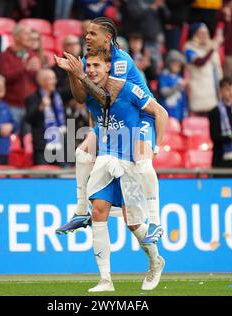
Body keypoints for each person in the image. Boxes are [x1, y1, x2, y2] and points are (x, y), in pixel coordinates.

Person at [54, 17, 163, 244]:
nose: (87, 37)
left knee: (143, 163)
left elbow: (106, 99)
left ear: (107, 38)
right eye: (87, 33)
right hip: (112, 118)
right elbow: (82, 97)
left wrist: (82, 75)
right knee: (82, 154)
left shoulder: (121, 60)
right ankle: (82, 211)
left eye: (93, 33)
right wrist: (73, 74)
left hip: (140, 114)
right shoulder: (89, 60)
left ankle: (155, 221)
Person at [70, 48, 168, 292]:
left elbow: (159, 112)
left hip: (130, 161)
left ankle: (156, 261)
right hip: (108, 158)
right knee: (99, 212)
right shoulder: (91, 96)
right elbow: (95, 120)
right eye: (88, 66)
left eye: (96, 66)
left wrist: (152, 147)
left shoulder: (127, 89)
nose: (91, 70)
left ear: (108, 68)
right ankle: (105, 280)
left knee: (133, 223)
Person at [0, 24, 42, 136]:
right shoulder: (6, 55)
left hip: (31, 107)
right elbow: (5, 77)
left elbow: (38, 81)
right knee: (12, 140)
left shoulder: (33, 55)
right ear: (16, 37)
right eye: (26, 33)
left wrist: (39, 74)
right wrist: (24, 68)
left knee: (29, 141)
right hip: (12, 105)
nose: (30, 37)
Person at [25, 69, 66, 166]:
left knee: (62, 176)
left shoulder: (57, 97)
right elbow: (29, 119)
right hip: (42, 146)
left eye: (54, 78)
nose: (55, 81)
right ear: (42, 81)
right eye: (51, 79)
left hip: (59, 145)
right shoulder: (33, 98)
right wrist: (40, 108)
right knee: (42, 176)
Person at [184, 23, 223, 115]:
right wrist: (211, 50)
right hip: (199, 91)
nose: (204, 36)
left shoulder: (210, 47)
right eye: (201, 33)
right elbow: (199, 62)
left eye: (206, 33)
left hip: (213, 91)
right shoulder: (189, 47)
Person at [209, 77, 232, 170]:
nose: (231, 93)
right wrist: (230, 138)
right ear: (221, 91)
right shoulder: (215, 111)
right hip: (220, 157)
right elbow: (214, 136)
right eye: (227, 89)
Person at [158, 50, 188, 121]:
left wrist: (184, 111)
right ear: (169, 63)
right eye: (174, 64)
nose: (177, 67)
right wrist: (178, 87)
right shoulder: (164, 76)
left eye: (179, 65)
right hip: (167, 112)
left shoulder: (179, 78)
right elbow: (164, 93)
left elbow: (183, 98)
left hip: (178, 114)